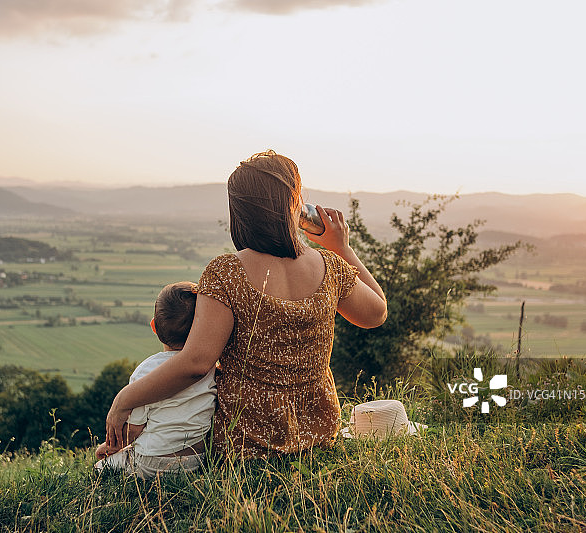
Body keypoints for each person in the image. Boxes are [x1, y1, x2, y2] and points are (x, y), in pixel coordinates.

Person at [102, 150, 387, 458]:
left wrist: (124, 400)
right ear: (295, 204)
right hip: (318, 436)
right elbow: (376, 313)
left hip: (246, 444)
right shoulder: (330, 266)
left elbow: (196, 364)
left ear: (238, 211)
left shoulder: (226, 272)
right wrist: (341, 247)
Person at [95, 281, 215, 478]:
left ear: (154, 327)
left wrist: (109, 447)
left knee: (102, 468)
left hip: (152, 462)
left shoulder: (146, 372)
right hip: (196, 458)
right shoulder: (210, 367)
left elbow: (132, 432)